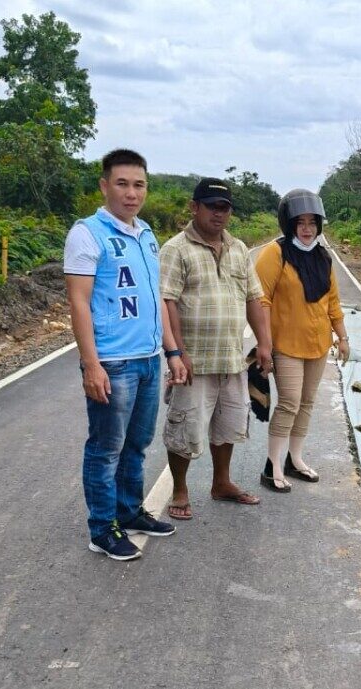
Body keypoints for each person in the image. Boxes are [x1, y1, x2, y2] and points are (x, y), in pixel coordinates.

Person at [65, 148, 187, 561]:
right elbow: (78, 303)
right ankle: (102, 528)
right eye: (122, 184)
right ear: (104, 186)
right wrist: (91, 363)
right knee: (106, 448)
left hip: (149, 358)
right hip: (113, 362)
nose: (131, 193)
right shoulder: (88, 233)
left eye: (139, 185)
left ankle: (129, 511)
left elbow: (155, 299)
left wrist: (171, 351)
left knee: (137, 443)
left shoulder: (147, 234)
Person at [160, 178, 273, 519]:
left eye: (224, 208)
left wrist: (264, 343)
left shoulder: (238, 248)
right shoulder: (176, 249)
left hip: (231, 358)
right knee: (185, 428)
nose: (218, 214)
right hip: (192, 361)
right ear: (194, 208)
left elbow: (254, 298)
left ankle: (221, 483)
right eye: (211, 206)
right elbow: (166, 302)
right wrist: (177, 353)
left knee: (228, 425)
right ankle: (180, 490)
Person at [254, 189, 348, 492]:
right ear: (289, 223)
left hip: (318, 344)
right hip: (285, 345)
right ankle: (273, 467)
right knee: (289, 404)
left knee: (306, 403)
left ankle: (295, 460)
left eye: (312, 222)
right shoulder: (275, 253)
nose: (307, 229)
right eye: (300, 222)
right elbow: (260, 300)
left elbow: (332, 301)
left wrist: (342, 337)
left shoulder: (323, 257)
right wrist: (264, 344)